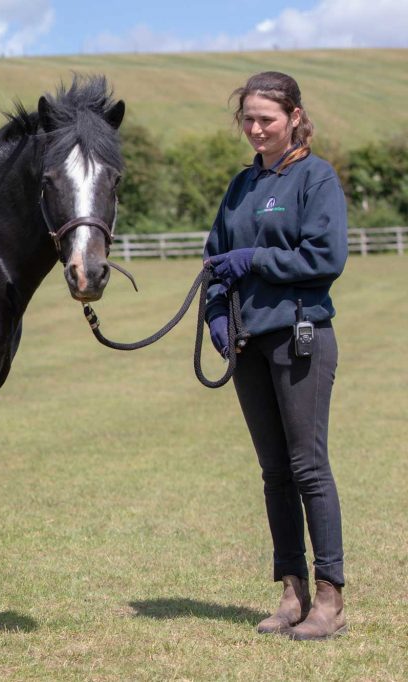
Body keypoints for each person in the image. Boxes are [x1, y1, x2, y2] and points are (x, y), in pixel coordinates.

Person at [203, 71, 349, 640]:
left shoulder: (316, 178)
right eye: (249, 119)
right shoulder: (240, 186)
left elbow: (325, 258)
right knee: (273, 473)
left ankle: (330, 600)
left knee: (308, 466)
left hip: (300, 334)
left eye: (267, 118)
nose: (257, 128)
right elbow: (216, 256)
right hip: (250, 341)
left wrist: (256, 259)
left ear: (293, 117)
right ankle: (291, 592)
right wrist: (217, 313)